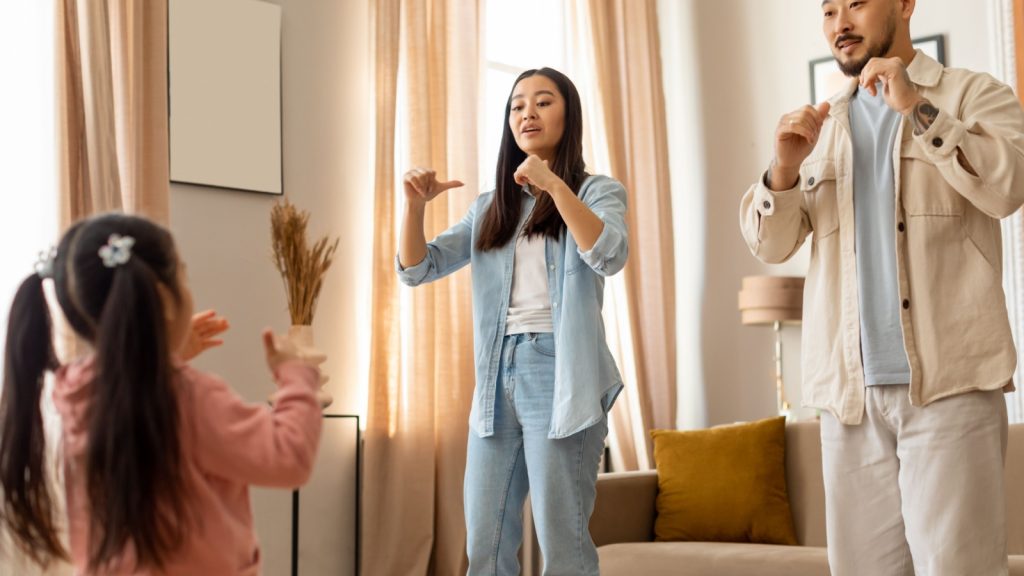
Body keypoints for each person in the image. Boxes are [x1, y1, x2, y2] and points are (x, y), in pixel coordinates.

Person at [739, 0, 1024, 574]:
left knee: (959, 567)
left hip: (950, 385)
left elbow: (1008, 186)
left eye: (856, 4)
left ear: (904, 4)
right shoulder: (822, 125)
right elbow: (771, 245)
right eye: (828, 11)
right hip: (849, 398)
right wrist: (784, 171)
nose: (839, 23)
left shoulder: (971, 95)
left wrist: (918, 111)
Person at [397, 67, 628, 575]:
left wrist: (551, 184)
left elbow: (608, 253)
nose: (527, 112)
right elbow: (418, 268)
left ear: (569, 115)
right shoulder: (490, 207)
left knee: (561, 544)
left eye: (543, 102)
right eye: (517, 105)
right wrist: (413, 209)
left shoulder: (596, 191)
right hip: (496, 376)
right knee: (486, 540)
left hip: (560, 372)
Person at [0, 213, 323, 575]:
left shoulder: (75, 396)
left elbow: (137, 404)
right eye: (183, 275)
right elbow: (288, 458)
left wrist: (166, 355)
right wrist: (298, 375)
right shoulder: (191, 398)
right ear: (163, 300)